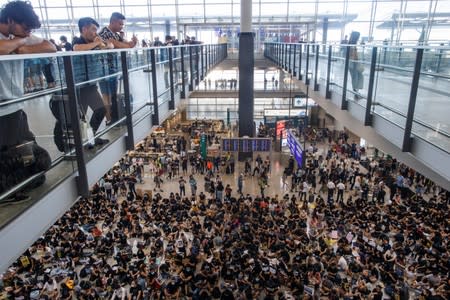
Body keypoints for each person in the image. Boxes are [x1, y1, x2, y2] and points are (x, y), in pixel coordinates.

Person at [0, 0, 56, 200]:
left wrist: (23, 46)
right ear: (10, 20)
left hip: (15, 107)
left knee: (30, 153)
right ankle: (8, 192)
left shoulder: (20, 36)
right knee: (7, 157)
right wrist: (20, 42)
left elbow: (51, 47)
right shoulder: (16, 38)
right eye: (25, 28)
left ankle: (19, 184)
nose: (27, 33)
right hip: (2, 110)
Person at [72, 17, 113, 146]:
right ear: (84, 29)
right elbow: (77, 49)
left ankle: (91, 138)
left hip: (90, 84)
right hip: (78, 86)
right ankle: (83, 142)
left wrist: (102, 44)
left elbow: (111, 46)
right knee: (79, 118)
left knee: (100, 110)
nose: (96, 33)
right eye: (93, 29)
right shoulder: (78, 41)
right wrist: (96, 44)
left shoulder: (93, 42)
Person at [98, 12, 137, 123]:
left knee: (110, 94)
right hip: (105, 69)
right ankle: (110, 118)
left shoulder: (114, 34)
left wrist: (132, 42)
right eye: (120, 24)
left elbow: (128, 45)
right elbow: (125, 45)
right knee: (107, 95)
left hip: (111, 68)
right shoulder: (105, 33)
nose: (121, 26)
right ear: (113, 22)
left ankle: (111, 118)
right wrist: (126, 44)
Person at [347, 31, 364, 99]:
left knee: (357, 77)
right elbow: (354, 55)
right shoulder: (352, 45)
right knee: (355, 77)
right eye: (358, 37)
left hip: (352, 62)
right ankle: (356, 93)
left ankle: (356, 92)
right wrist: (358, 59)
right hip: (353, 63)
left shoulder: (351, 43)